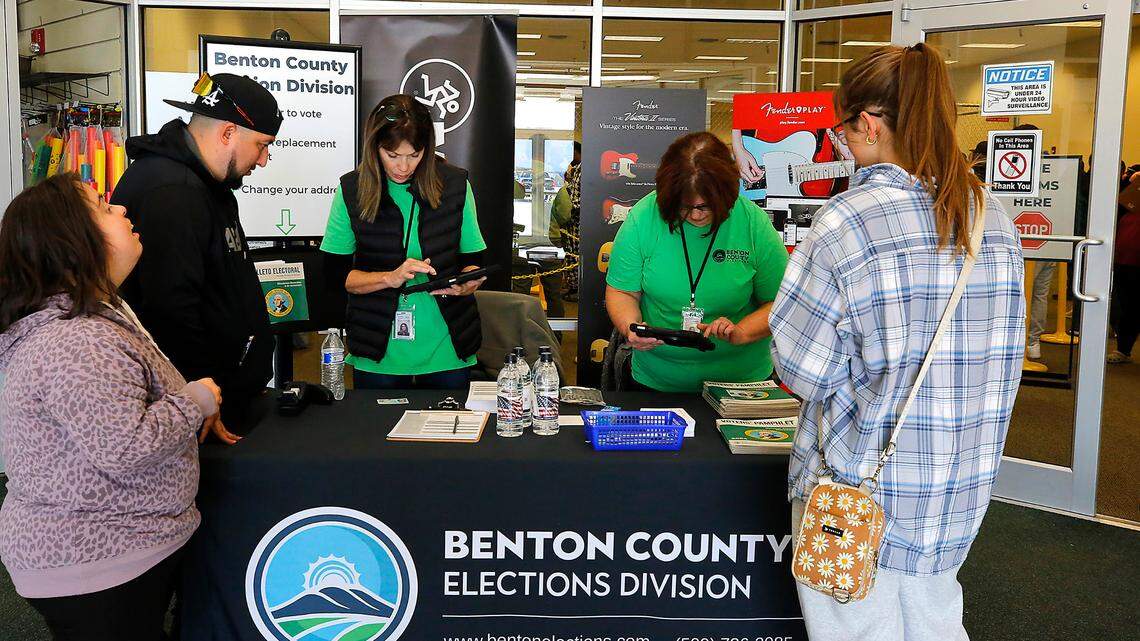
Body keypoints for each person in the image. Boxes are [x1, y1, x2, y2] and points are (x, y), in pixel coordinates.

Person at [769, 43, 1025, 640]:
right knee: (936, 623)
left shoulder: (846, 221)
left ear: (868, 123)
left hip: (857, 488)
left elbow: (801, 368)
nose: (841, 142)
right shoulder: (992, 219)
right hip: (954, 486)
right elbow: (1004, 363)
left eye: (842, 129)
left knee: (855, 628)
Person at [0, 174, 221, 640]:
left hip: (104, 554)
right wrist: (196, 400)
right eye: (103, 207)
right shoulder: (78, 339)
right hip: (94, 560)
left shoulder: (89, 317)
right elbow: (125, 447)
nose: (121, 210)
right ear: (72, 242)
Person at [111, 73, 282, 440]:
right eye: (262, 145)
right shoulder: (174, 192)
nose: (264, 160)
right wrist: (201, 396)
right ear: (227, 133)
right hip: (199, 411)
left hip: (218, 397)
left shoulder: (207, 185)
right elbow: (170, 309)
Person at [320, 94, 487, 390]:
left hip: (447, 347)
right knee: (375, 434)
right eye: (392, 155)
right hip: (377, 348)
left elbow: (475, 261)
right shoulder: (351, 190)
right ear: (375, 148)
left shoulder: (456, 185)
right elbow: (335, 276)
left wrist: (467, 283)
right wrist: (389, 278)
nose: (403, 167)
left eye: (414, 154)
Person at [605, 131, 788, 392]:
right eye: (683, 206)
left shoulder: (751, 223)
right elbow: (622, 291)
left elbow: (782, 302)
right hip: (657, 381)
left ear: (726, 195)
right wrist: (631, 327)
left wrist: (742, 331)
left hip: (740, 383)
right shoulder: (643, 218)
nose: (694, 215)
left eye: (704, 206)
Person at [1109, 166, 1140, 363]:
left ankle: (1123, 348)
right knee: (1126, 305)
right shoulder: (1132, 195)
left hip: (1134, 259)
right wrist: (1128, 180)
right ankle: (1123, 349)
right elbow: (1116, 202)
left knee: (1133, 306)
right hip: (1124, 257)